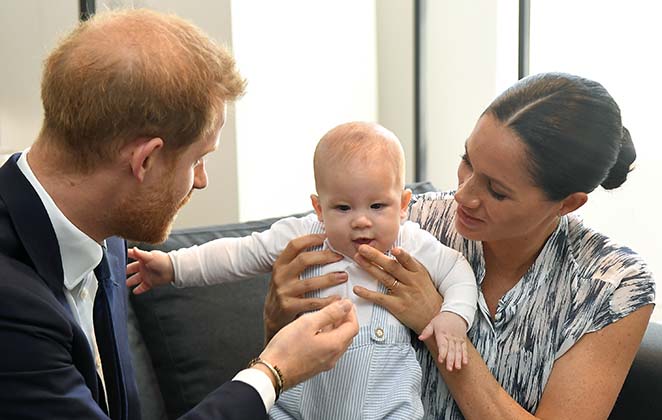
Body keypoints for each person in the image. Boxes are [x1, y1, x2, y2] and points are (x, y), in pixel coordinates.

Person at [0, 9, 359, 420]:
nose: (201, 180)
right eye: (198, 160)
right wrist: (272, 372)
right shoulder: (10, 302)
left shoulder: (106, 229)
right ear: (146, 160)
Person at [262, 73, 656, 419]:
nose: (464, 196)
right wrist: (277, 318)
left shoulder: (612, 287)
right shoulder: (406, 223)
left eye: (496, 191)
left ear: (567, 203)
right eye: (467, 162)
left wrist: (437, 325)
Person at [126, 121, 478, 419]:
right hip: (301, 407)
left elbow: (458, 272)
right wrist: (172, 266)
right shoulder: (304, 235)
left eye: (377, 205)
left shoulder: (411, 243)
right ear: (319, 208)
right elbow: (238, 254)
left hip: (387, 408)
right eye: (342, 207)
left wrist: (452, 318)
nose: (360, 221)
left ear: (402, 205)